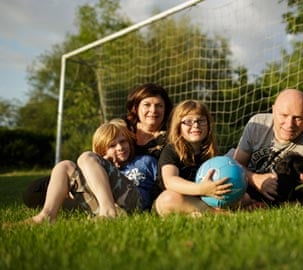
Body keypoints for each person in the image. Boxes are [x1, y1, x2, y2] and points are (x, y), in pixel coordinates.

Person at [22, 82, 173, 209]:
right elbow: (98, 151)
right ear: (136, 108)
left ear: (165, 109)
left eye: (159, 106)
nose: (153, 110)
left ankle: (105, 210)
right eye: (147, 105)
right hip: (104, 178)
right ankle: (50, 211)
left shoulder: (168, 139)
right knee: (35, 191)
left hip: (133, 187)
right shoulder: (122, 126)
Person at [24, 120, 158, 224]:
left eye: (123, 142)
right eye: (112, 145)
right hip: (102, 203)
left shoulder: (145, 161)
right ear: (102, 150)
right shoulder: (99, 169)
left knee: (85, 157)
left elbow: (161, 186)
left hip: (135, 202)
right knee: (64, 165)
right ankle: (46, 216)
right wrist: (103, 164)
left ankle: (108, 212)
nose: (120, 147)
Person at [233, 88, 303, 206]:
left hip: (277, 196)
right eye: (284, 115)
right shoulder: (258, 125)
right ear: (273, 110)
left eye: (297, 118)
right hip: (246, 183)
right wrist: (256, 179)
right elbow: (236, 165)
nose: (289, 125)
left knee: (295, 164)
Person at [154, 100, 233, 217]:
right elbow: (170, 181)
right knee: (168, 199)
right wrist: (201, 189)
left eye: (201, 121)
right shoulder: (171, 150)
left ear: (208, 124)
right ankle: (217, 213)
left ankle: (197, 214)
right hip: (176, 200)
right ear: (178, 126)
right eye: (188, 121)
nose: (196, 125)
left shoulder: (210, 152)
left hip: (202, 200)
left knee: (243, 196)